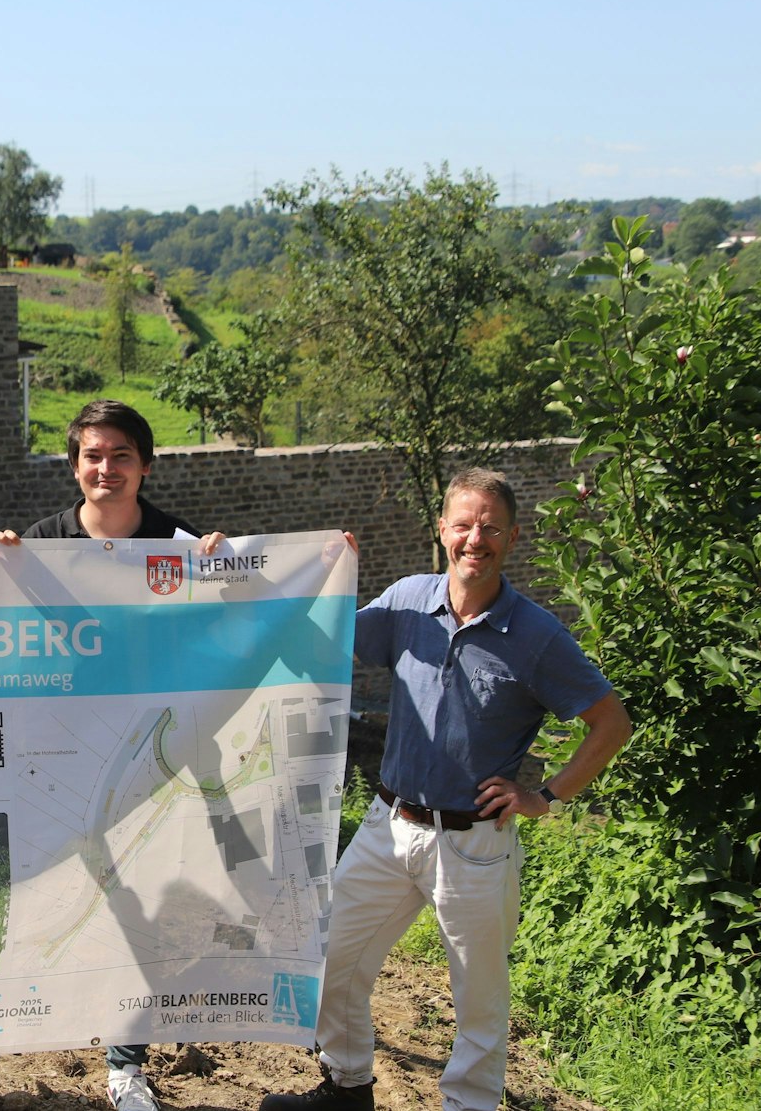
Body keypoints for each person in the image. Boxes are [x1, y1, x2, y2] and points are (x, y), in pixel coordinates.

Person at [259, 468, 632, 1111]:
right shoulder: (408, 601)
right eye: (463, 524)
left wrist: (547, 796)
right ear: (442, 531)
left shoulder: (537, 636)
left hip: (472, 845)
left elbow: (611, 723)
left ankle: (468, 1105)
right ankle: (346, 1086)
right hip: (388, 825)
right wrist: (315, 571)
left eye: (489, 527)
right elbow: (326, 639)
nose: (474, 538)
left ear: (512, 538)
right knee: (330, 957)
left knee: (478, 999)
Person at [0, 400, 225, 1111]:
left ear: (144, 464)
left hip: (136, 766)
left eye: (120, 455)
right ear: (74, 464)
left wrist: (231, 568)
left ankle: (126, 1065)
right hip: (41, 760)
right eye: (92, 455)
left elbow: (237, 624)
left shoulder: (178, 544)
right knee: (4, 907)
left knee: (128, 910)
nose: (105, 468)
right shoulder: (39, 544)